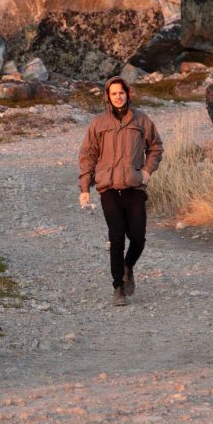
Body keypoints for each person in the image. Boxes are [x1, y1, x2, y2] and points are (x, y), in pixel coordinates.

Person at [78, 76, 164, 306]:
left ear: (128, 93)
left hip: (134, 186)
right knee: (116, 238)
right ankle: (118, 288)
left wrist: (147, 170)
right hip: (108, 188)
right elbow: (88, 156)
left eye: (121, 92)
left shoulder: (141, 120)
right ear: (108, 96)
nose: (118, 96)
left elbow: (155, 147)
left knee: (138, 237)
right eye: (114, 93)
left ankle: (128, 266)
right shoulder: (98, 124)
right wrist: (85, 188)